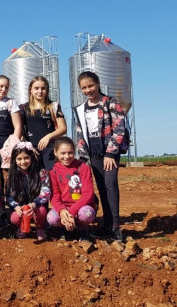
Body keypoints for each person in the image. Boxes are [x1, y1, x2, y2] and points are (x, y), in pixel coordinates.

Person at [74, 71, 127, 241]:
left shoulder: (110, 103)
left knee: (111, 185)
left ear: (97, 84)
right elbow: (80, 133)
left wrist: (111, 153)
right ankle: (107, 224)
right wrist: (83, 157)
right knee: (102, 188)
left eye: (91, 85)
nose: (88, 90)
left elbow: (119, 128)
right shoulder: (81, 109)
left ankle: (116, 227)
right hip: (94, 152)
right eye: (84, 87)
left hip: (109, 152)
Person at [46, 137, 96, 241]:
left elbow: (88, 193)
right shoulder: (53, 171)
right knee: (52, 218)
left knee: (87, 214)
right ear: (55, 152)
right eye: (62, 153)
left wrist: (72, 211)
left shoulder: (82, 168)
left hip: (81, 207)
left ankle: (82, 229)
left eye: (70, 153)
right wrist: (62, 211)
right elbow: (55, 196)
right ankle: (66, 229)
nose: (67, 156)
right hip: (65, 208)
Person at [20, 76, 67, 171]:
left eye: (43, 88)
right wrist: (27, 145)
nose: (40, 91)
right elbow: (19, 130)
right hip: (31, 149)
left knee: (52, 176)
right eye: (36, 88)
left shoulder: (54, 106)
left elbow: (63, 128)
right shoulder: (23, 108)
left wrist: (48, 136)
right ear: (31, 90)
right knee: (35, 179)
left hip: (50, 149)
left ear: (47, 89)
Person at [6, 142, 50, 240]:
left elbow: (46, 192)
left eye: (26, 158)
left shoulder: (40, 172)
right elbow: (9, 196)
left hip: (36, 206)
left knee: (42, 211)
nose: (23, 162)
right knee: (14, 217)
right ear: (14, 160)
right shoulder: (12, 175)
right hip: (21, 207)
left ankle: (40, 228)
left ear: (31, 157)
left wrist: (35, 204)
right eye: (19, 159)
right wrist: (16, 206)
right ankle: (22, 226)